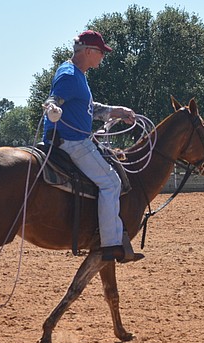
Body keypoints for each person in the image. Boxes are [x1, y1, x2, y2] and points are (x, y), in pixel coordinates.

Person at [42, 30, 143, 263]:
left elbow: (88, 107)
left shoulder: (78, 74)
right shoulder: (69, 75)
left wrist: (115, 111)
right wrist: (52, 109)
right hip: (72, 142)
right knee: (111, 182)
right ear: (88, 51)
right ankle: (110, 244)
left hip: (71, 139)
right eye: (101, 52)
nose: (102, 57)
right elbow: (52, 101)